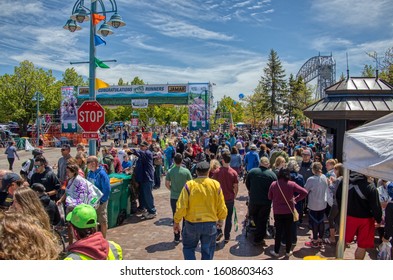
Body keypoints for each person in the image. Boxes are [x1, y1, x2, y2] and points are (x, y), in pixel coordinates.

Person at [173, 161, 227, 260]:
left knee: (189, 248)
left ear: (196, 172)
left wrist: (177, 221)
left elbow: (181, 206)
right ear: (208, 171)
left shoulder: (189, 185)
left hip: (192, 223)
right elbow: (221, 206)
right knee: (208, 250)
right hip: (210, 224)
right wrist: (221, 219)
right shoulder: (215, 185)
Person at [336, 171, 382, 259]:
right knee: (362, 246)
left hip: (348, 216)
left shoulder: (345, 181)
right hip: (366, 220)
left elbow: (338, 197)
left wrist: (342, 211)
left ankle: (338, 260)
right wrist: (378, 219)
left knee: (342, 241)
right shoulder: (370, 187)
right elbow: (376, 207)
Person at [268, 168, 308, 257]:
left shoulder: (274, 184)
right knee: (288, 231)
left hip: (278, 212)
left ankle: (276, 251)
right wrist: (295, 199)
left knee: (278, 232)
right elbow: (304, 192)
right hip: (289, 211)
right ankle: (287, 251)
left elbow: (269, 197)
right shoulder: (292, 184)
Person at [245, 157, 277, 246]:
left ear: (260, 163)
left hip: (254, 200)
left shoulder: (252, 172)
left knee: (255, 216)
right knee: (263, 219)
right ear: (268, 164)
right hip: (266, 201)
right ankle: (259, 237)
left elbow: (247, 184)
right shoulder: (272, 175)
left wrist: (252, 191)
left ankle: (258, 235)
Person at [212, 151, 239, 243]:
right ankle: (227, 236)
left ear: (222, 160)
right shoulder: (234, 172)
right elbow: (236, 187)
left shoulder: (217, 172)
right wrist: (234, 195)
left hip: (219, 199)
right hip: (229, 199)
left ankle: (218, 231)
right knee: (228, 218)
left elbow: (212, 185)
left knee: (217, 217)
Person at [165, 153, 192, 243]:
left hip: (174, 196)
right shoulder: (186, 171)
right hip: (184, 196)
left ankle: (176, 236)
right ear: (182, 160)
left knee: (175, 216)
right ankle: (184, 234)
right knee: (185, 216)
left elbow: (167, 184)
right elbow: (191, 184)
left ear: (174, 160)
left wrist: (172, 189)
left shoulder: (170, 171)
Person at [129, 141, 157, 219]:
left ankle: (152, 211)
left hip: (147, 178)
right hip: (142, 178)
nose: (141, 148)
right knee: (143, 195)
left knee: (148, 195)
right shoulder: (142, 155)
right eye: (140, 146)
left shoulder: (147, 153)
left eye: (143, 146)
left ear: (146, 147)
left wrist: (132, 150)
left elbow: (139, 152)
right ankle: (145, 209)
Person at [304, 162, 329, 248]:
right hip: (323, 203)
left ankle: (315, 240)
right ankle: (320, 239)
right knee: (321, 221)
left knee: (315, 221)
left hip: (314, 204)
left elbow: (305, 190)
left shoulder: (311, 179)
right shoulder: (324, 177)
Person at [86, 156, 111, 238]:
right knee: (94, 220)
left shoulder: (102, 174)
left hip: (100, 201)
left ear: (94, 163)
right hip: (92, 201)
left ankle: (104, 238)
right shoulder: (90, 173)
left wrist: (102, 201)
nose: (87, 164)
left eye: (88, 162)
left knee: (102, 220)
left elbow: (107, 189)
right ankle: (96, 238)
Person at [326, 163, 344, 244]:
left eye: (335, 169)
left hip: (337, 202)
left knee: (330, 218)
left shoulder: (339, 179)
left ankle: (332, 237)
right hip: (342, 203)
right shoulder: (344, 178)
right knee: (339, 220)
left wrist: (330, 183)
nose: (334, 171)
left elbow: (334, 190)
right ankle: (342, 239)